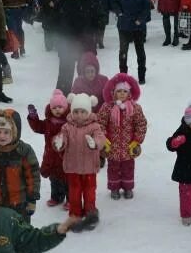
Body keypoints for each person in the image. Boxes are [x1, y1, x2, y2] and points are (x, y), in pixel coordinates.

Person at [54, 93, 105, 231]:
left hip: (89, 167)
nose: (79, 115)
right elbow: (62, 138)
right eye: (76, 111)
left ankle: (90, 213)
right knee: (74, 192)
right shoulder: (67, 127)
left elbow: (101, 139)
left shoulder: (94, 126)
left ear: (88, 112)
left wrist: (95, 143)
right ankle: (75, 214)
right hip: (73, 167)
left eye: (83, 112)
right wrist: (59, 143)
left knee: (89, 191)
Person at [0, 109, 39, 222]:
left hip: (20, 202)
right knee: (0, 228)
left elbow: (33, 175)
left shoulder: (24, 151)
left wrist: (32, 199)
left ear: (15, 132)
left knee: (21, 229)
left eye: (6, 132)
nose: (2, 136)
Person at [97, 73, 147, 200]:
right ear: (113, 92)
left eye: (124, 91)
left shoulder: (135, 108)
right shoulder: (107, 107)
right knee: (113, 168)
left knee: (128, 168)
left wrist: (137, 140)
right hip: (112, 146)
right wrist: (104, 139)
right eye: (119, 91)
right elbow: (100, 123)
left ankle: (128, 187)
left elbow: (141, 124)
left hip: (128, 146)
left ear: (129, 93)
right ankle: (114, 188)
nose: (122, 94)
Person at [27, 89, 69, 208]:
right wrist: (33, 117)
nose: (57, 110)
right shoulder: (48, 122)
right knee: (54, 178)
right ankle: (56, 197)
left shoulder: (69, 123)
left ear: (66, 108)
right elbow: (38, 127)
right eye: (54, 108)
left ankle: (70, 199)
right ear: (50, 109)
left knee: (67, 179)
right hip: (51, 156)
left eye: (60, 107)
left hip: (65, 156)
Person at [112, 0, 151, 82]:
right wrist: (119, 13)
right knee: (123, 51)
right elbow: (114, 2)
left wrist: (140, 19)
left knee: (140, 50)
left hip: (138, 25)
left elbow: (146, 6)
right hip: (124, 24)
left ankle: (142, 75)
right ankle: (123, 76)